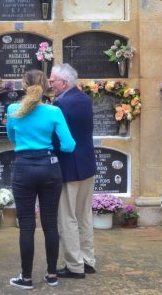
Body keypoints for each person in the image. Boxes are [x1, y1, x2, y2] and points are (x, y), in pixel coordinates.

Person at [6, 69, 75, 291]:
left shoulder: (13, 110)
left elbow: (11, 138)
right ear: (46, 85)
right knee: (49, 223)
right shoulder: (54, 111)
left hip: (24, 167)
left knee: (26, 226)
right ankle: (52, 274)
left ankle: (26, 279)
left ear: (24, 85)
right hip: (49, 167)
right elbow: (69, 145)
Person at [49, 63, 98, 279]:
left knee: (67, 217)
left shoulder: (60, 104)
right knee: (84, 215)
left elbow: (57, 138)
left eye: (53, 81)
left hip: (68, 167)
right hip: (87, 165)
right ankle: (88, 260)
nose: (50, 84)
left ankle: (74, 266)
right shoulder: (84, 99)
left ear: (64, 82)